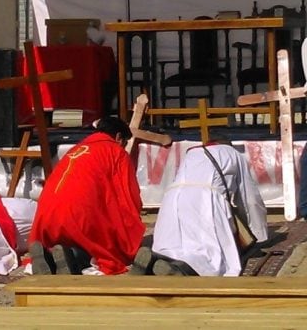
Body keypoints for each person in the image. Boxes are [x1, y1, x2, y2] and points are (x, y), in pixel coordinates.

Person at [28, 116, 144, 276]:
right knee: (102, 247)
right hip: (79, 217)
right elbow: (128, 197)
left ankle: (51, 256)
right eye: (124, 143)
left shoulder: (74, 150)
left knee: (77, 235)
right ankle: (72, 257)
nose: (123, 147)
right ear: (118, 138)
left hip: (45, 220)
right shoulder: (115, 151)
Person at [147, 139, 268, 276]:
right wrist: (259, 234)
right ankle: (185, 270)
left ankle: (155, 261)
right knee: (209, 252)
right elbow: (250, 199)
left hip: (172, 198)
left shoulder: (192, 153)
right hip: (206, 199)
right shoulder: (232, 153)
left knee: (172, 242)